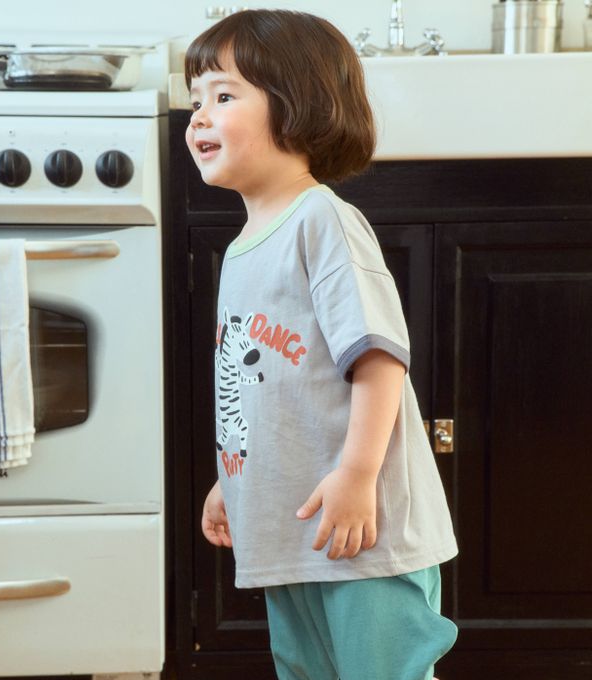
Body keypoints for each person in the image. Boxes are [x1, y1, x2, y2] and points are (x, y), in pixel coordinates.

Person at [185, 9, 458, 680]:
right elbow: (254, 382)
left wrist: (358, 476)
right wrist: (233, 479)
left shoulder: (322, 220)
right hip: (292, 530)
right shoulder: (242, 250)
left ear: (296, 105)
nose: (199, 117)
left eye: (223, 95)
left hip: (364, 532)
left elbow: (379, 358)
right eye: (195, 101)